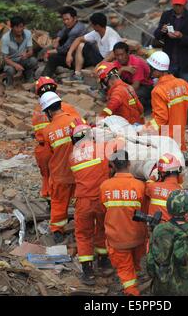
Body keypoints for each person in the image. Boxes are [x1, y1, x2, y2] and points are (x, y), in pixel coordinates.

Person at [69, 118, 112, 286]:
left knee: (83, 234)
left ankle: (88, 272)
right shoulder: (102, 149)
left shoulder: (72, 157)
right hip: (101, 199)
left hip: (83, 202)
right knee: (102, 228)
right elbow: (120, 143)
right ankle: (103, 262)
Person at [100, 150, 147, 296]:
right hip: (138, 236)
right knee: (135, 263)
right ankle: (136, 276)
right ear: (129, 163)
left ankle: (131, 291)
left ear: (112, 165)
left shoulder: (105, 186)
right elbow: (144, 211)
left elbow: (103, 210)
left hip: (117, 239)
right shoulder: (139, 186)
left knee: (125, 270)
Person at [147, 190, 188, 296]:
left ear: (169, 209)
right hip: (186, 288)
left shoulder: (158, 229)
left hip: (162, 284)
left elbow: (151, 254)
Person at [32, 77, 80, 198]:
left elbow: (39, 134)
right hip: (64, 145)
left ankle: (48, 192)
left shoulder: (38, 111)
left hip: (45, 149)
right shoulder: (66, 108)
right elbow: (79, 125)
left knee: (50, 174)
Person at [39, 91, 76, 243]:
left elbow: (45, 157)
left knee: (59, 202)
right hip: (79, 171)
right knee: (81, 201)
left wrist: (46, 174)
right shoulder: (77, 120)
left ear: (48, 111)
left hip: (60, 173)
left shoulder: (47, 131)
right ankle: (82, 227)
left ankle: (57, 231)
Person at [144, 51, 188, 152]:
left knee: (168, 163)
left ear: (157, 70)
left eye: (150, 67)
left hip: (166, 138)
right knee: (179, 160)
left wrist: (146, 128)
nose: (149, 70)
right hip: (180, 135)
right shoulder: (182, 83)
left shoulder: (158, 91)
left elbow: (161, 119)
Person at [153, 0, 188, 84]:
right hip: (169, 61)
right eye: (176, 5)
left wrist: (181, 36)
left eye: (180, 5)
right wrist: (162, 30)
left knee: (185, 87)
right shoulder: (166, 15)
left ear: (185, 4)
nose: (177, 7)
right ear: (172, 3)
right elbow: (157, 35)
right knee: (168, 87)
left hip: (185, 62)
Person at [66, 13, 122, 81]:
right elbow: (79, 39)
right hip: (101, 57)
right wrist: (69, 54)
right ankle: (77, 74)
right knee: (81, 45)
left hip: (111, 61)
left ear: (97, 26)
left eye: (92, 24)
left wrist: (99, 65)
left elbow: (113, 54)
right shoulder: (97, 32)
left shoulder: (111, 35)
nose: (91, 26)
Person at [42, 6, 86, 77]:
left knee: (53, 58)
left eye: (67, 19)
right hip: (71, 53)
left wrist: (49, 52)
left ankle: (44, 80)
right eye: (64, 19)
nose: (65, 22)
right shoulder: (74, 24)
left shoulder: (75, 31)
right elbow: (62, 31)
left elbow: (64, 49)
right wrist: (57, 39)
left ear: (75, 18)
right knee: (55, 47)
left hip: (78, 60)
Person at [112, 42, 154, 113]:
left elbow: (135, 86)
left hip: (145, 85)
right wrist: (122, 69)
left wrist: (121, 93)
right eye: (117, 55)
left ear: (128, 53)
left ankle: (148, 105)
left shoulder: (136, 63)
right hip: (130, 83)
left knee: (132, 97)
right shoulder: (117, 63)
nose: (120, 58)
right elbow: (112, 81)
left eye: (122, 54)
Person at [145, 153, 183, 223]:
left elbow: (147, 187)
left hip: (156, 230)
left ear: (162, 173)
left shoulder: (153, 187)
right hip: (173, 230)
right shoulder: (181, 191)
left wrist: (152, 178)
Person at [1, 16, 38, 87]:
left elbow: (31, 51)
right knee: (10, 70)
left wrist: (27, 55)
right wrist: (15, 65)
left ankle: (28, 76)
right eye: (16, 27)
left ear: (24, 26)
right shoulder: (6, 38)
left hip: (22, 59)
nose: (19, 29)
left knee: (33, 61)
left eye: (21, 27)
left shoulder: (27, 34)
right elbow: (5, 58)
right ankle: (9, 83)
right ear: (12, 27)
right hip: (10, 61)